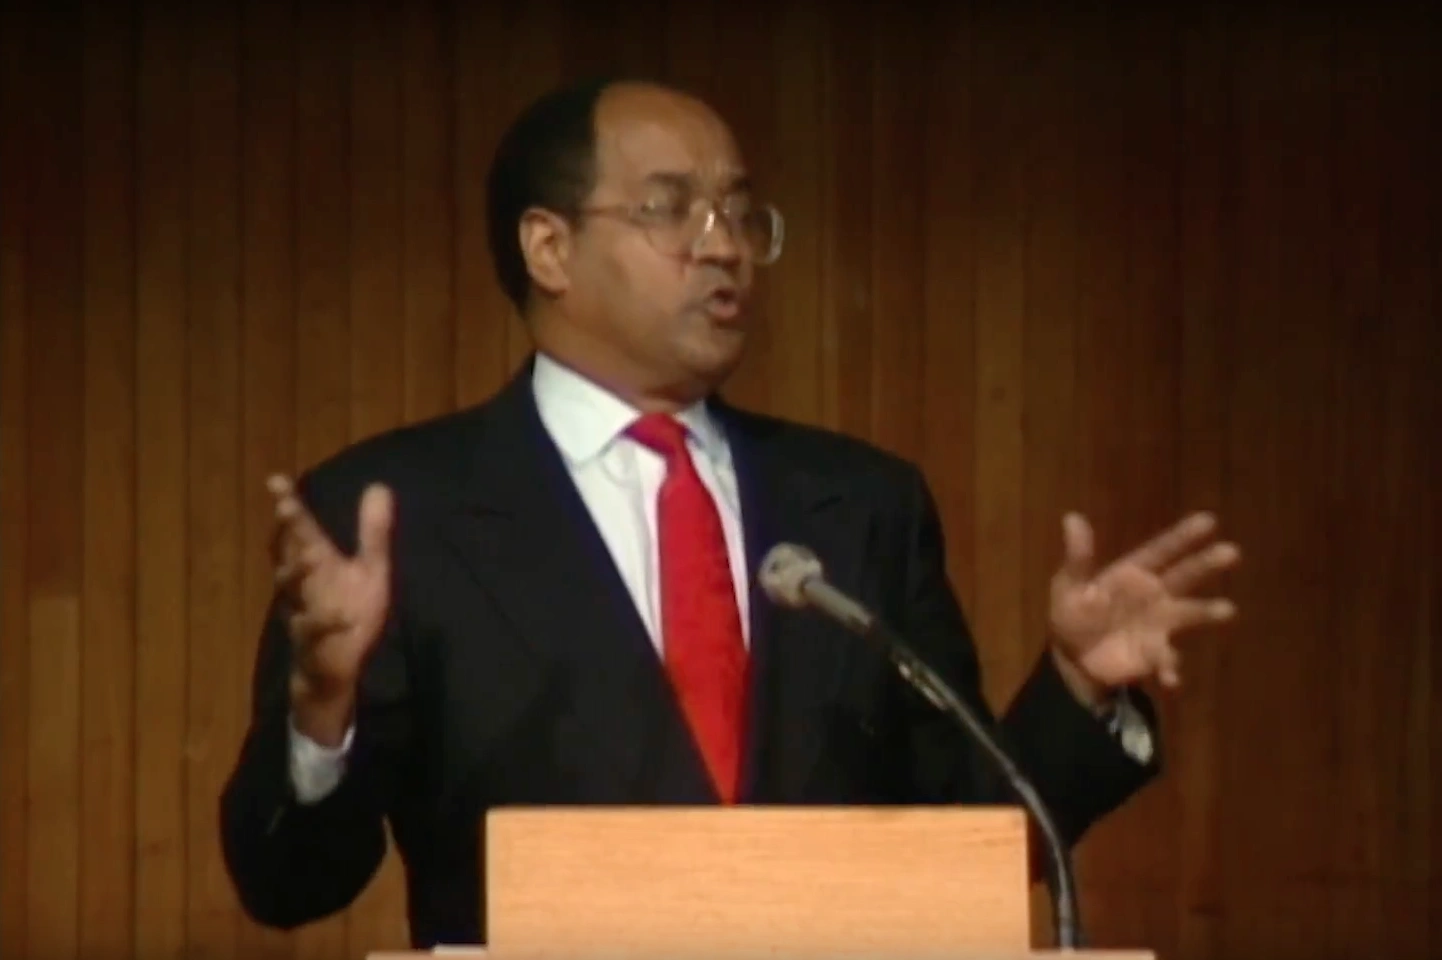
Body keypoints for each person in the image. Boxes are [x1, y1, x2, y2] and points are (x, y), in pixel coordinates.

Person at [219, 77, 1240, 949]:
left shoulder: (857, 505)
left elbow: (963, 837)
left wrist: (1074, 690)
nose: (725, 250)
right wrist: (322, 711)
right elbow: (288, 886)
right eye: (671, 211)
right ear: (548, 248)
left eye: (740, 215)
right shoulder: (399, 513)